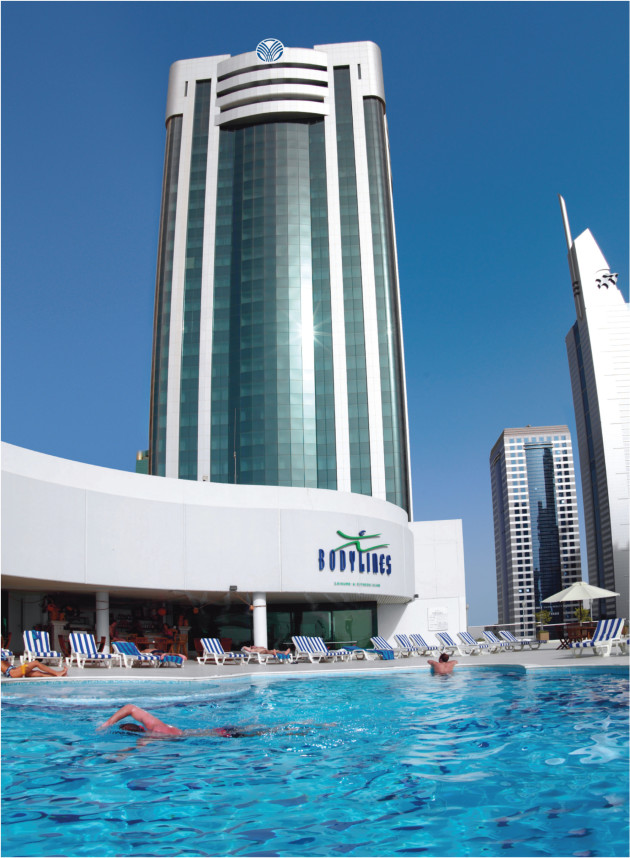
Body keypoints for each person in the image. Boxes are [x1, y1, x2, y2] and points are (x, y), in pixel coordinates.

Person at [2, 659, 67, 679]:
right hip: (12, 672)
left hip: (13, 669)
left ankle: (57, 676)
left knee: (38, 673)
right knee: (35, 663)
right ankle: (57, 673)